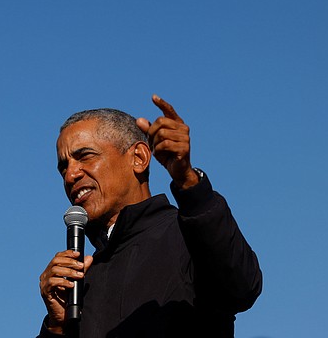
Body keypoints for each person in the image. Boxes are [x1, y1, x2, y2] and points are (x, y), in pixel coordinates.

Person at [37, 95, 262, 337]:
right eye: (63, 166)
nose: (70, 175)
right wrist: (57, 327)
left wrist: (189, 183)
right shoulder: (81, 282)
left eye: (85, 156)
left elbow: (242, 286)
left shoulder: (191, 234)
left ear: (139, 158)